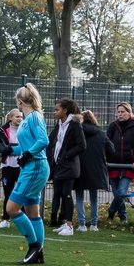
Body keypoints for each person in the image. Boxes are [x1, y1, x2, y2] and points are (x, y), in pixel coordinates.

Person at [6, 84, 51, 264]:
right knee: (33, 212)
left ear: (19, 101)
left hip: (35, 168)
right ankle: (37, 254)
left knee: (11, 208)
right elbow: (25, 147)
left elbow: (43, 141)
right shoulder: (28, 119)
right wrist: (8, 149)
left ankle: (35, 247)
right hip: (32, 167)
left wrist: (28, 154)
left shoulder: (33, 117)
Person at [47, 98, 85, 236]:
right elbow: (54, 142)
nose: (54, 112)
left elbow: (82, 145)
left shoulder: (75, 124)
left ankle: (69, 225)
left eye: (57, 110)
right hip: (58, 165)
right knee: (58, 193)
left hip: (69, 166)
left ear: (65, 110)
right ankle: (63, 223)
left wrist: (67, 156)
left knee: (67, 194)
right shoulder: (59, 125)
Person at [106, 102, 134, 225]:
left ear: (129, 112)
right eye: (118, 112)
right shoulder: (113, 126)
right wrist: (106, 159)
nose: (120, 114)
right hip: (113, 164)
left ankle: (111, 212)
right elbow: (106, 143)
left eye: (122, 112)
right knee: (116, 193)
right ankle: (123, 216)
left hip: (129, 165)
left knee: (122, 192)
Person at [74, 110, 110, 232]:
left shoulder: (77, 132)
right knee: (94, 197)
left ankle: (81, 224)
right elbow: (111, 149)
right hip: (96, 168)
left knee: (79, 196)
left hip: (79, 167)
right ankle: (94, 225)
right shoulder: (100, 133)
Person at [0, 108, 23, 228]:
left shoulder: (24, 129)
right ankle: (5, 220)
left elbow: (24, 146)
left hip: (21, 165)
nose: (20, 119)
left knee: (22, 193)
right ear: (10, 118)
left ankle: (23, 220)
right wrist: (9, 148)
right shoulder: (3, 129)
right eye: (17, 117)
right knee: (8, 193)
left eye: (21, 117)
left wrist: (11, 148)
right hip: (7, 165)